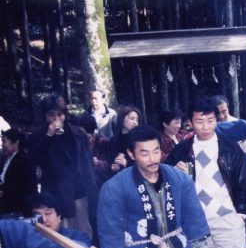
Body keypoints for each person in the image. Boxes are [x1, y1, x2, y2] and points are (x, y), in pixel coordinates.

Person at [166, 98, 246, 248]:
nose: (205, 126)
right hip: (197, 224)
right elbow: (164, 185)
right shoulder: (182, 150)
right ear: (190, 123)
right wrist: (176, 175)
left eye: (210, 120)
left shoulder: (229, 147)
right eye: (199, 121)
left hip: (228, 219)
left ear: (217, 119)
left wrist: (241, 214)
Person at [28, 95, 96, 237]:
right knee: (62, 234)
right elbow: (35, 160)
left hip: (79, 190)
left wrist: (92, 187)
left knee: (84, 231)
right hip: (56, 192)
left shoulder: (77, 132)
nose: (56, 119)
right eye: (51, 115)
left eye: (60, 114)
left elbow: (85, 162)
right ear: (45, 116)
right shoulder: (38, 136)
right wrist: (49, 136)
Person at [0, 127, 35, 217]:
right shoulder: (8, 158)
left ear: (16, 143)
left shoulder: (23, 160)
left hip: (18, 208)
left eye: (4, 141)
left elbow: (21, 187)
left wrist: (3, 191)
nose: (2, 145)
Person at [109, 106, 141, 174]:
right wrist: (113, 167)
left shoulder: (140, 139)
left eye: (137, 120)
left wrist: (127, 163)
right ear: (122, 119)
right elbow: (109, 161)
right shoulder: (113, 140)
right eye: (132, 119)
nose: (135, 122)